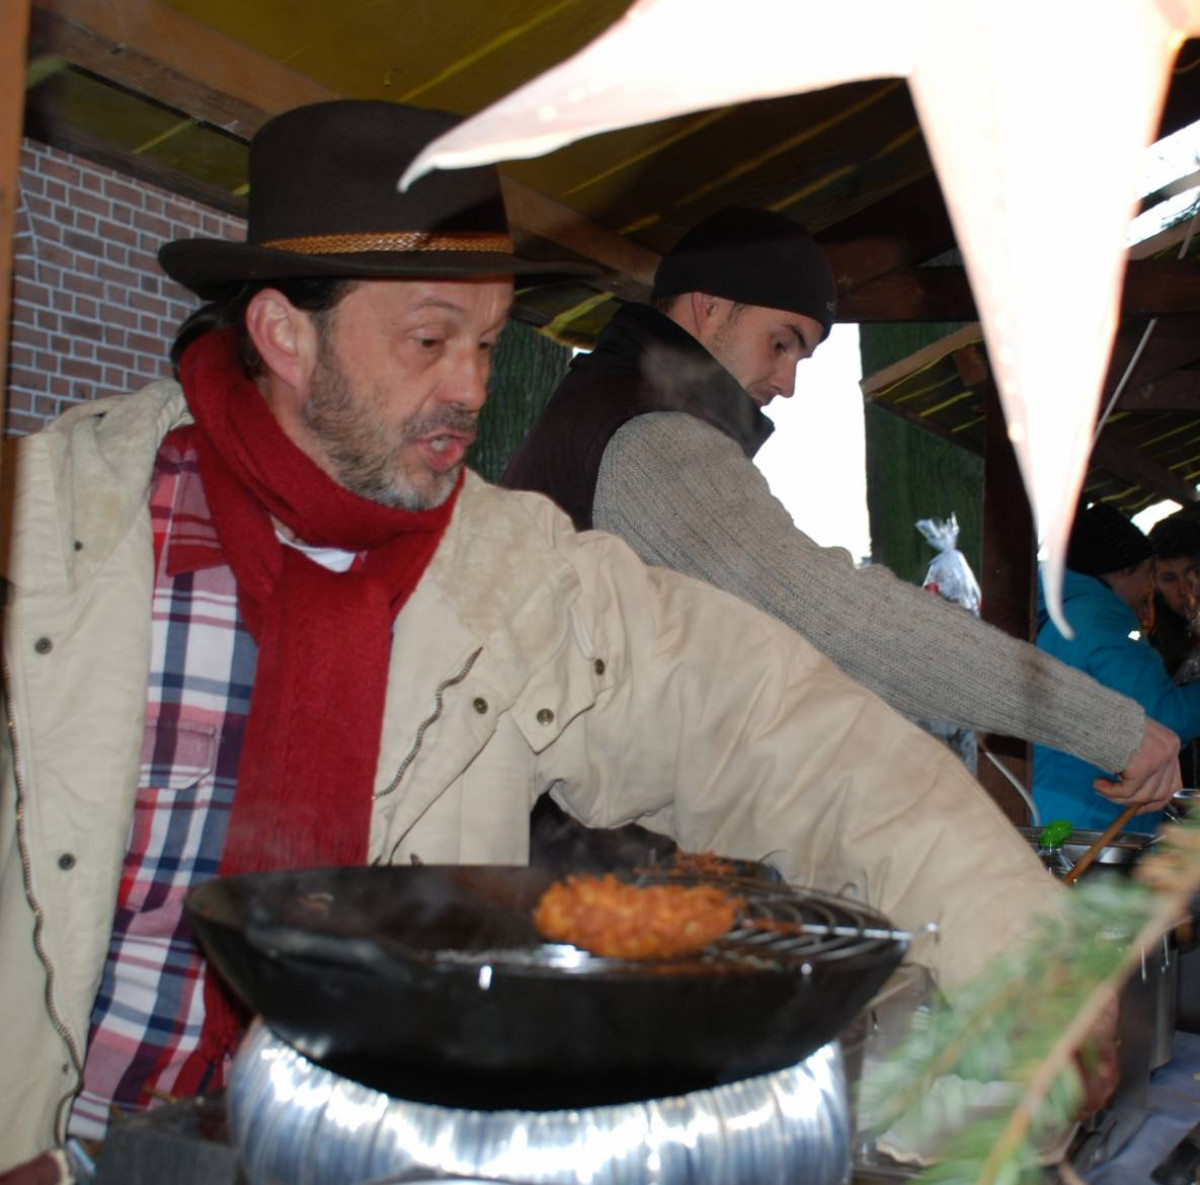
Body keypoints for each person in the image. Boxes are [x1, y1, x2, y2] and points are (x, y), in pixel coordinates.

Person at [0, 101, 1073, 1171]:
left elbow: (786, 733)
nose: (470, 388)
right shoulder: (48, 540)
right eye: (430, 340)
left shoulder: (513, 576)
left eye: (487, 342)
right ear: (286, 334)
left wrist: (1032, 965)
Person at [501, 207, 1180, 816]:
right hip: (561, 846)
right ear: (709, 307)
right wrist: (1106, 725)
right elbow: (840, 619)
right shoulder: (653, 438)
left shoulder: (611, 403)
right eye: (781, 341)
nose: (788, 383)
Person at [1033, 503, 1200, 831]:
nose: (1150, 588)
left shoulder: (1065, 609)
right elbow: (1159, 715)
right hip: (1091, 809)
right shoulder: (1100, 615)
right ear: (1125, 571)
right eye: (1152, 574)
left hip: (1059, 800)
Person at [1147, 508, 1200, 679]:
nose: (1185, 590)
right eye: (1170, 579)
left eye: (1196, 573)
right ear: (1154, 583)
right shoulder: (1147, 631)